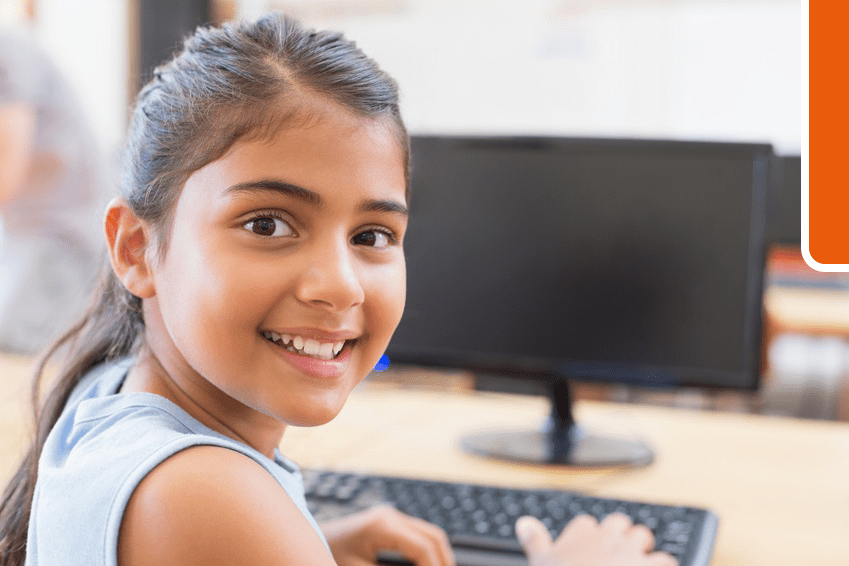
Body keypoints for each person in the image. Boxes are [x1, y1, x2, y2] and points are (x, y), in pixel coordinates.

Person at [0, 13, 677, 566]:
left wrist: (309, 537)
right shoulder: (203, 496)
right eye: (267, 224)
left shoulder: (110, 389)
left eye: (373, 235)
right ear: (136, 248)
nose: (339, 285)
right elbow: (208, 521)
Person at [0, 26, 107, 354]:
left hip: (66, 240)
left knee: (15, 344)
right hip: (28, 239)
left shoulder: (9, 53)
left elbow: (7, 169)